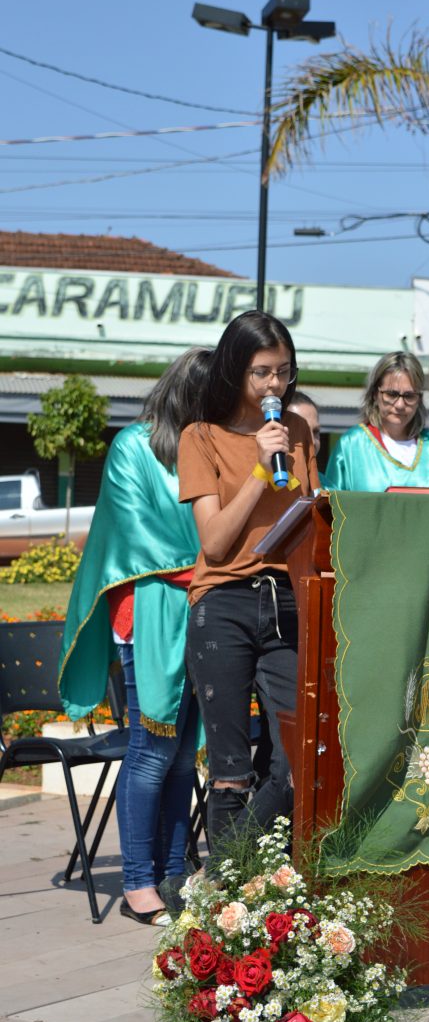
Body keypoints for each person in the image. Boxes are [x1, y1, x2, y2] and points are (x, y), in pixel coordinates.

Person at [59, 348, 211, 926]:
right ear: (186, 395)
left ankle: (172, 873)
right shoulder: (132, 446)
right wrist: (217, 563)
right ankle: (137, 884)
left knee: (182, 758)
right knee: (152, 751)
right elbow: (140, 538)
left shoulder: (211, 447)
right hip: (146, 617)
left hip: (203, 613)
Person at [177, 311, 319, 848]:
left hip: (288, 600)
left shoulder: (297, 432)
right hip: (224, 603)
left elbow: (308, 518)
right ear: (235, 369)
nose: (274, 385)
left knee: (296, 760)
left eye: (283, 371)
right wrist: (261, 470)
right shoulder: (200, 436)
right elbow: (215, 543)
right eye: (262, 372)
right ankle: (230, 890)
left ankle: (237, 876)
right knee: (231, 770)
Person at [324, 351, 429, 493]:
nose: (400, 405)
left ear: (419, 399)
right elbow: (331, 507)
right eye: (391, 394)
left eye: (409, 396)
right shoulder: (351, 447)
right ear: (375, 394)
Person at [288, 390, 326, 488]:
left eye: (315, 431)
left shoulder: (329, 488)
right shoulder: (261, 484)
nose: (312, 441)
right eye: (302, 431)